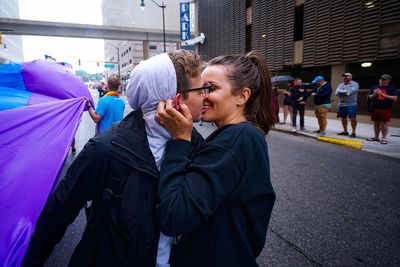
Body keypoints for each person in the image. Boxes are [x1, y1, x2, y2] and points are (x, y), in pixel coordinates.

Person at [22, 50, 206, 267]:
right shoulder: (106, 148)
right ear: (177, 100)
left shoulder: (197, 146)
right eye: (201, 90)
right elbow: (58, 212)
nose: (206, 95)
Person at [155, 51, 276, 266]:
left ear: (242, 96)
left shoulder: (237, 139)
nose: (203, 95)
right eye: (202, 88)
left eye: (211, 88)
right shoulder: (240, 136)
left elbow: (174, 215)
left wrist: (180, 141)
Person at [366, 74, 398, 144]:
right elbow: (369, 97)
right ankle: (376, 137)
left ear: (388, 80)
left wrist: (382, 95)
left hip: (385, 108)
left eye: (384, 79)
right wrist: (375, 94)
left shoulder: (392, 88)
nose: (381, 80)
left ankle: (384, 138)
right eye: (380, 79)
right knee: (376, 123)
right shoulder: (374, 87)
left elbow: (395, 98)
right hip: (374, 108)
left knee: (384, 123)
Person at [335, 72, 359, 138]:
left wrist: (341, 91)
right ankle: (345, 131)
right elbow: (336, 93)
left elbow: (350, 92)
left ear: (351, 77)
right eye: (344, 76)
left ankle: (353, 132)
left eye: (347, 76)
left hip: (351, 104)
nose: (345, 77)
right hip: (341, 104)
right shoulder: (340, 84)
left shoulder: (355, 84)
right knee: (343, 118)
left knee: (352, 118)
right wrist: (345, 91)